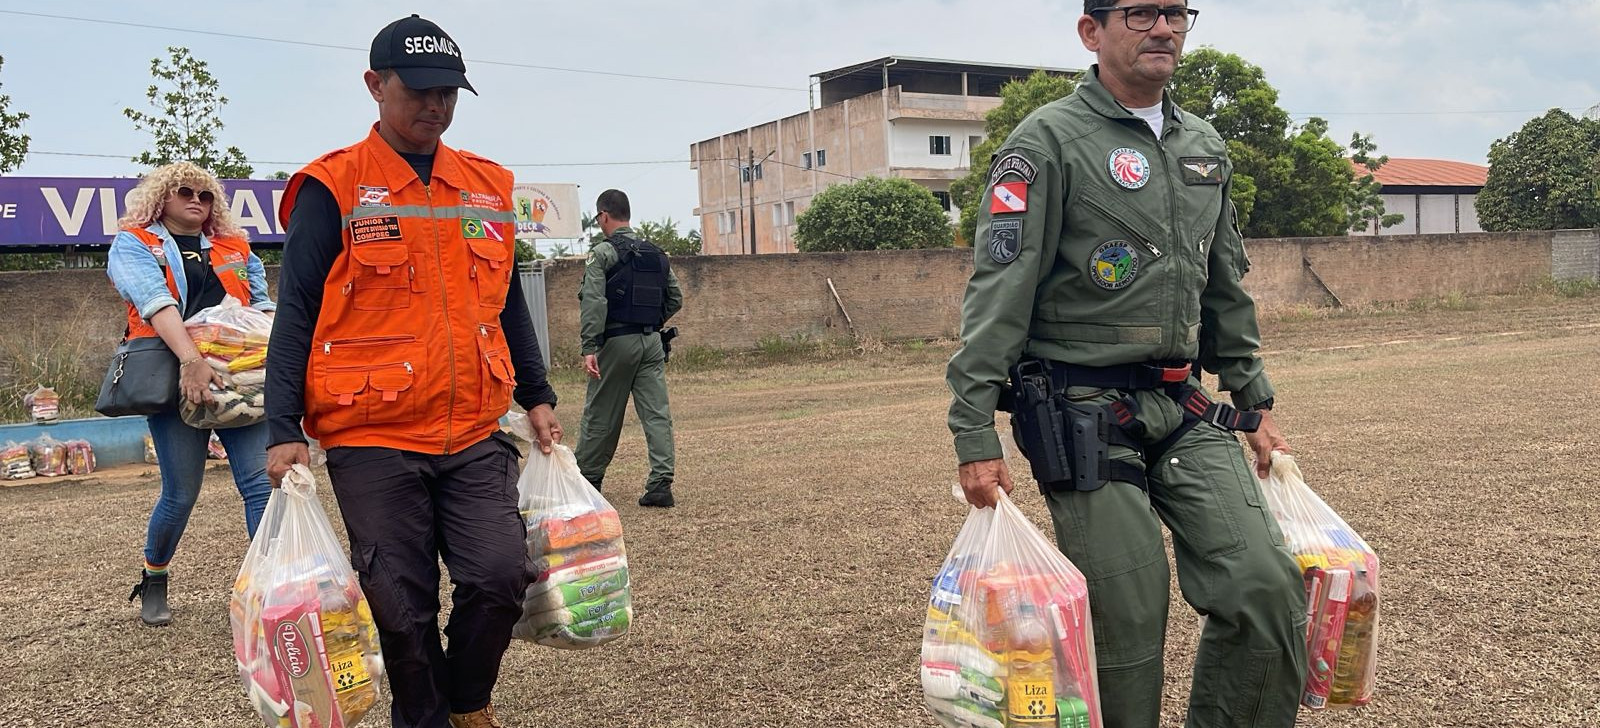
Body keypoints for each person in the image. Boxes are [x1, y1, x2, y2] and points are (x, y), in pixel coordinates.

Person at [944, 2, 1308, 726]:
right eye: (1142, 13)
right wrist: (973, 429)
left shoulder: (1203, 145)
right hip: (1080, 411)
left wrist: (1253, 400)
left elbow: (1224, 282)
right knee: (1128, 614)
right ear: (1093, 32)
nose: (1164, 28)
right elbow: (999, 287)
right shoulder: (1046, 141)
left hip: (1185, 405)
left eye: (1176, 12)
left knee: (1265, 587)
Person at [263, 14, 561, 728]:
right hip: (372, 431)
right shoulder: (331, 187)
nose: (436, 105)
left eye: (449, 93)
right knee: (400, 602)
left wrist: (537, 392)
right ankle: (424, 717)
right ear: (375, 85)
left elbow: (508, 304)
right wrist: (281, 427)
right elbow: (296, 311)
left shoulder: (485, 187)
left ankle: (466, 703)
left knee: (500, 575)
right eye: (420, 90)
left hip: (471, 427)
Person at [107, 161, 277, 627]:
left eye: (205, 195)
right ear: (162, 197)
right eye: (186, 192)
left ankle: (270, 591)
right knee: (182, 493)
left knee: (261, 485)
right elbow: (154, 303)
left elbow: (261, 307)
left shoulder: (236, 246)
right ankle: (154, 577)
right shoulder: (136, 242)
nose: (197, 202)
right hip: (175, 373)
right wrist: (190, 360)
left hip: (239, 377)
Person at [574, 189, 683, 507]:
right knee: (657, 413)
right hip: (651, 342)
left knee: (602, 413)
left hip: (616, 342)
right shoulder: (656, 253)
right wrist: (650, 321)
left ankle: (588, 481)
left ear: (604, 216)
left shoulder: (603, 253)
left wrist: (590, 346)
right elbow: (675, 298)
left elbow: (594, 301)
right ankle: (660, 484)